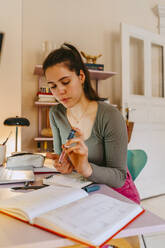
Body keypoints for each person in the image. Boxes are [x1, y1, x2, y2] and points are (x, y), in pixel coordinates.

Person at [43, 43, 140, 204]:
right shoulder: (56, 114)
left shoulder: (110, 116)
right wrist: (63, 165)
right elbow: (63, 159)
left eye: (65, 82)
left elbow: (119, 178)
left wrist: (85, 168)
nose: (59, 91)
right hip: (82, 191)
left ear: (81, 77)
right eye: (53, 86)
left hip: (118, 196)